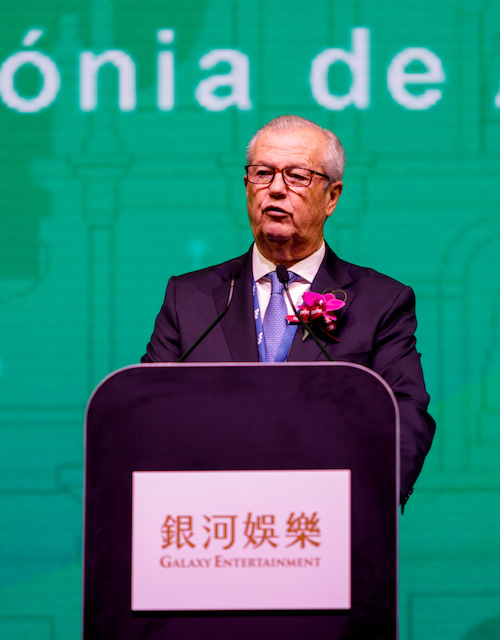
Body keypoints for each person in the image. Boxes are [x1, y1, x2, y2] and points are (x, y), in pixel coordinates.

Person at [142, 115, 435, 506]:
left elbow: (405, 414)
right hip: (212, 528)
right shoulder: (190, 298)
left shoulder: (381, 303)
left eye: (297, 176)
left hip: (325, 525)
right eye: (262, 173)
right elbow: (142, 412)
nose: (276, 189)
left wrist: (371, 503)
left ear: (332, 197)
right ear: (246, 187)